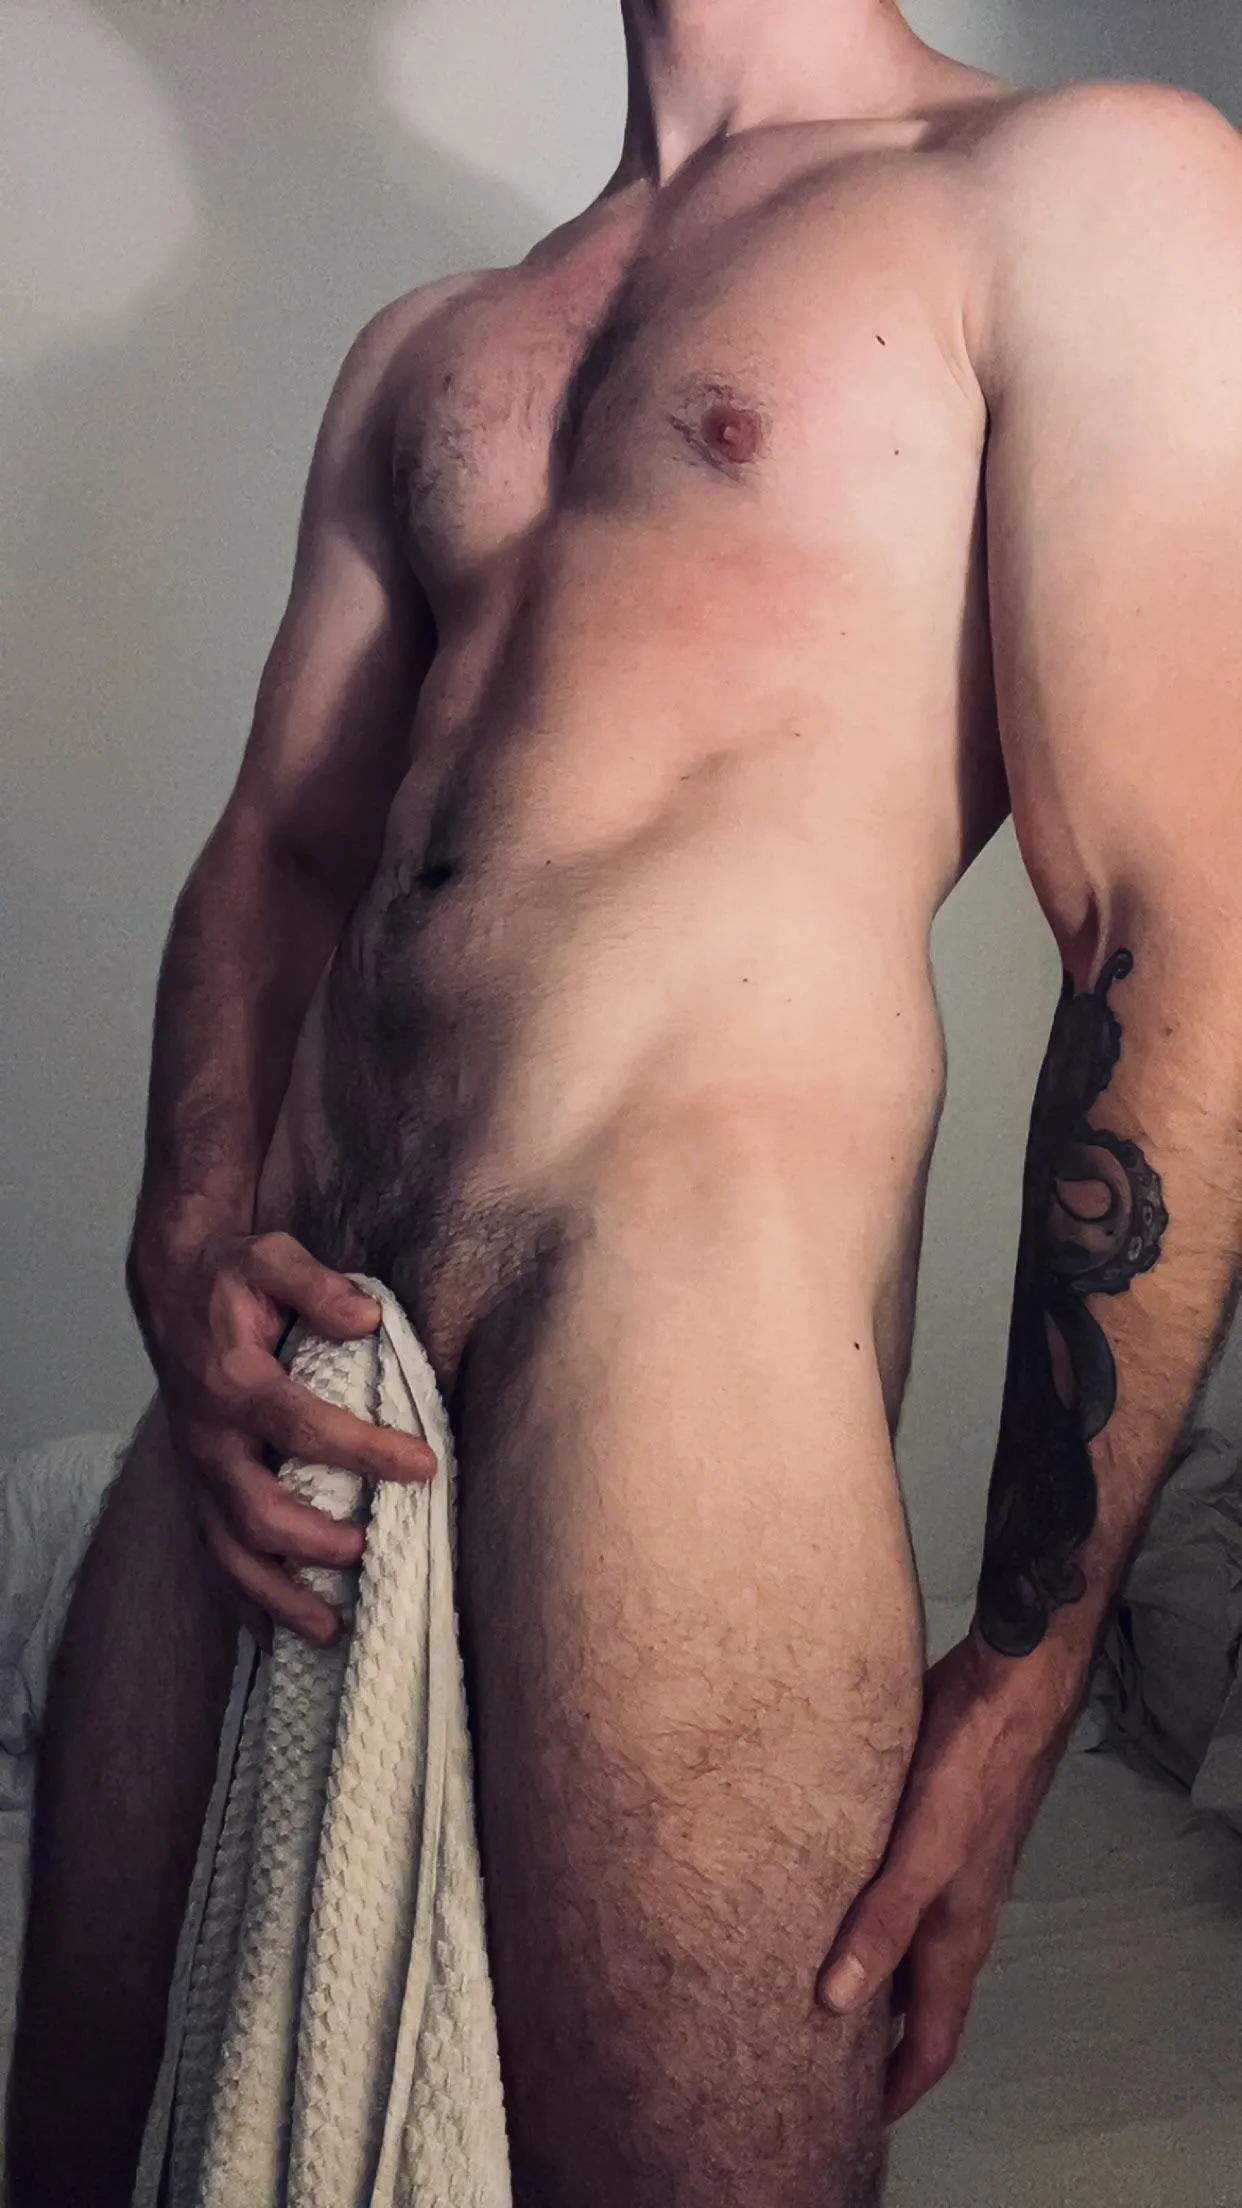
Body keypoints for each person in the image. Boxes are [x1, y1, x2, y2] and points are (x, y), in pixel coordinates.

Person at [11, 0, 1242, 2201]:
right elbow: (275, 849)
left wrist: (1023, 1677)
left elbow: (1175, 919)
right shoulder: (428, 348)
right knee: (88, 2144)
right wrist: (184, 1236)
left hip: (674, 1323)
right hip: (290, 1342)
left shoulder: (1079, 186)